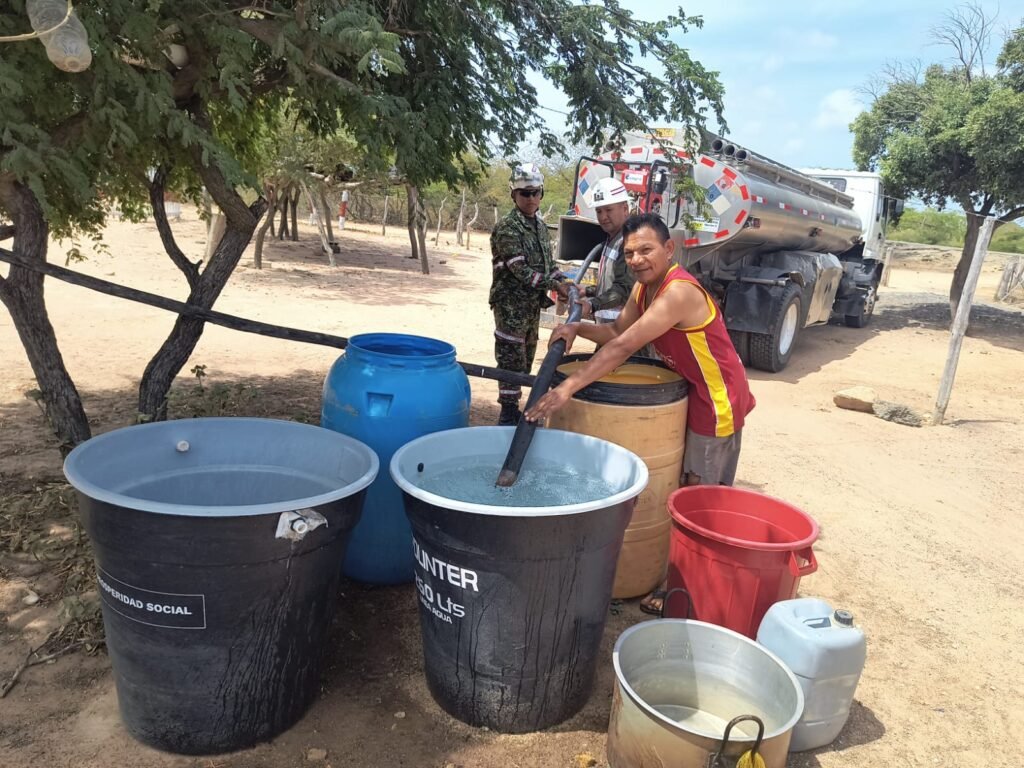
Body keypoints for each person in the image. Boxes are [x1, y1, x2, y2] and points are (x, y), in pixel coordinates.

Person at [524, 212, 755, 612]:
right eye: (629, 253)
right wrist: (578, 330)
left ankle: (690, 593)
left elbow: (622, 349)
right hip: (688, 392)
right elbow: (614, 333)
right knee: (681, 487)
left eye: (646, 250)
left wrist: (567, 388)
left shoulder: (678, 292)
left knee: (697, 497)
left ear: (669, 249)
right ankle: (680, 577)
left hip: (715, 401)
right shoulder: (643, 289)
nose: (636, 260)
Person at [490, 162, 569, 426]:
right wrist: (554, 285)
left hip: (531, 306)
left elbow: (549, 266)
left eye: (536, 192)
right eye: (525, 193)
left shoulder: (540, 227)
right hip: (511, 307)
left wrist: (563, 281)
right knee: (510, 356)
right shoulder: (508, 228)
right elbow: (519, 269)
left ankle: (515, 407)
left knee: (526, 357)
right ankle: (508, 411)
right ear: (514, 195)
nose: (532, 198)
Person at [578, 177, 635, 320]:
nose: (603, 217)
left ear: (625, 209)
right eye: (599, 211)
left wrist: (592, 305)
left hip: (622, 331)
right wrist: (588, 291)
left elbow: (623, 288)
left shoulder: (628, 242)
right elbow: (611, 284)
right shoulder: (612, 239)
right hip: (607, 328)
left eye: (609, 210)